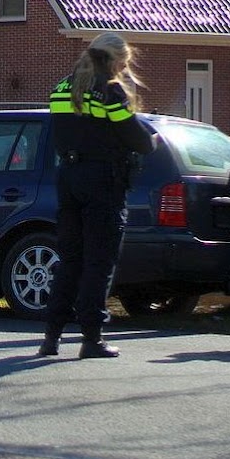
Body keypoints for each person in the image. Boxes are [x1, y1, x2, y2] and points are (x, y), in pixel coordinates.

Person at [40, 32, 157, 359]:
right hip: (102, 181)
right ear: (115, 59)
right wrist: (154, 139)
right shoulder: (110, 90)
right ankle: (92, 338)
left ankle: (51, 337)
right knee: (99, 261)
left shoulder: (63, 88)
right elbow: (137, 138)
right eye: (124, 62)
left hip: (68, 177)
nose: (124, 67)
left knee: (70, 260)